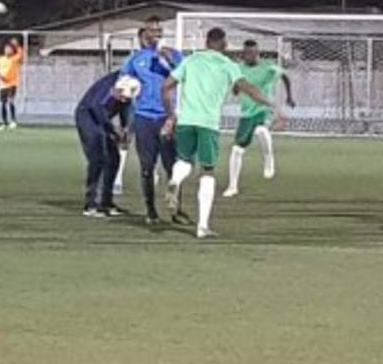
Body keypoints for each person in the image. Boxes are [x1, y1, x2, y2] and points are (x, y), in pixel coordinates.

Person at [160, 27, 280, 240]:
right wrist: (271, 104)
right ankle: (202, 226)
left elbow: (166, 86)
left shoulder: (191, 60)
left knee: (184, 160)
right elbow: (248, 88)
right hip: (208, 123)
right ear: (223, 44)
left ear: (206, 42)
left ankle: (175, 181)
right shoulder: (228, 65)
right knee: (207, 170)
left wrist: (171, 115)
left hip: (186, 120)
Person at [119, 20, 183, 223]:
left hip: (167, 117)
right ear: (143, 34)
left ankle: (176, 210)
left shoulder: (174, 54)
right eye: (151, 30)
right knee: (147, 166)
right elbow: (122, 83)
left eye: (158, 31)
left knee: (172, 167)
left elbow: (185, 75)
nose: (155, 34)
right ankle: (150, 211)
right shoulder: (135, 59)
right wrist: (122, 92)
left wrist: (169, 61)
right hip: (144, 118)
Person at [224, 39, 296, 197]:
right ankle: (232, 185)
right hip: (246, 113)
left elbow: (285, 76)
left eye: (253, 53)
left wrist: (289, 97)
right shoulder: (239, 68)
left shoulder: (268, 67)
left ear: (258, 53)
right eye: (247, 53)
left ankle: (268, 159)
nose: (249, 56)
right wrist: (235, 89)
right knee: (237, 149)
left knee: (261, 130)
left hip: (264, 109)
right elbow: (236, 88)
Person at [75, 72, 139, 216]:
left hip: (103, 119)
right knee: (97, 159)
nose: (123, 101)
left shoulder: (129, 84)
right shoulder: (109, 87)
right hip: (88, 116)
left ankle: (106, 201)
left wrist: (126, 128)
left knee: (113, 159)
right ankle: (91, 204)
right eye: (121, 97)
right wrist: (113, 129)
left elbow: (125, 108)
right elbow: (97, 108)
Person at [0, 38, 24, 130]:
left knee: (11, 101)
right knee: (3, 104)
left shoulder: (14, 59)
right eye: (6, 49)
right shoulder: (0, 59)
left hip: (12, 83)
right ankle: (4, 123)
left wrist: (17, 45)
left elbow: (21, 54)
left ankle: (13, 121)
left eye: (10, 49)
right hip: (3, 85)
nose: (8, 50)